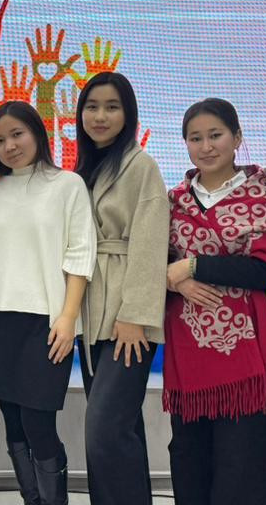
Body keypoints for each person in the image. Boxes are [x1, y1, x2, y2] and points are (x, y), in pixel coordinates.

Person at [0, 101, 95, 505]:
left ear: (38, 133)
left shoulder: (68, 184)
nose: (9, 146)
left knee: (39, 424)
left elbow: (81, 254)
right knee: (13, 424)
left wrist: (68, 317)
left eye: (17, 134)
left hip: (47, 321)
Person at [163, 98, 266, 505]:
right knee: (189, 454)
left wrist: (193, 265)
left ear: (237, 138)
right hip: (188, 349)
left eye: (215, 135)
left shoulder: (261, 194)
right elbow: (157, 263)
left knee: (241, 458)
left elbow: (265, 270)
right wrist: (176, 281)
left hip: (243, 355)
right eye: (195, 138)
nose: (206, 146)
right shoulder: (174, 199)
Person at [73, 72, 169, 505]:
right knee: (120, 429)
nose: (100, 116)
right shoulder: (85, 168)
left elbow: (151, 243)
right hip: (92, 312)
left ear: (128, 114)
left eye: (112, 107)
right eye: (92, 107)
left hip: (127, 317)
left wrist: (135, 316)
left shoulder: (141, 166)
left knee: (104, 429)